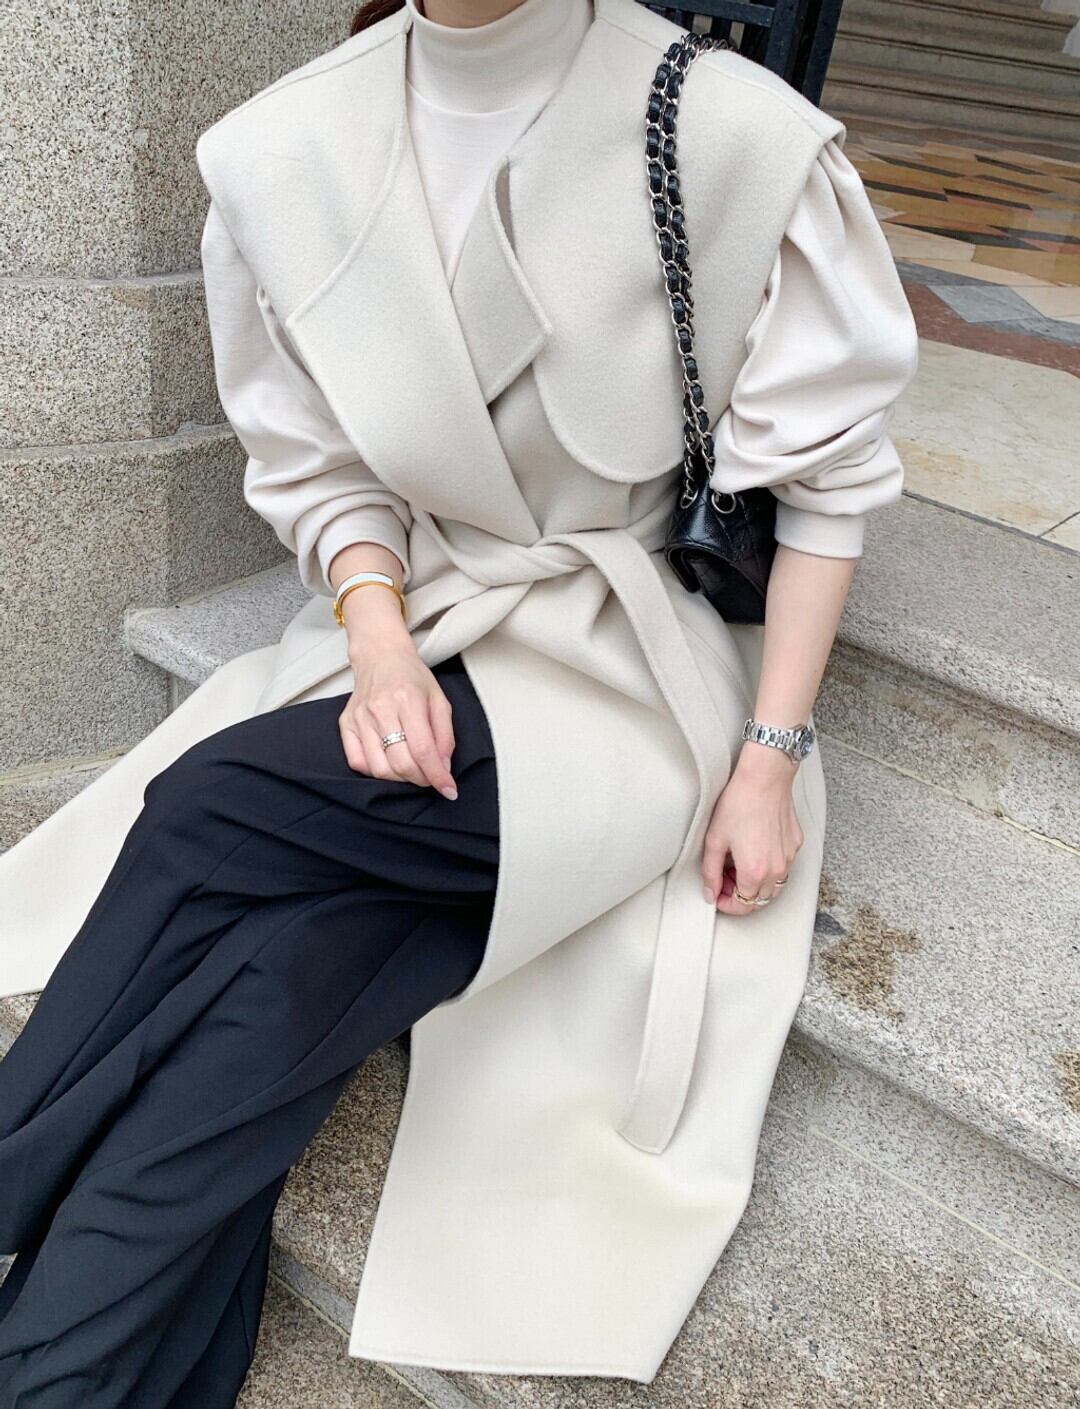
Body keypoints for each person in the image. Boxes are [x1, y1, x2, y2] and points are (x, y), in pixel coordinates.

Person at [0, 0, 920, 1402]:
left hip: (628, 682)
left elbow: (827, 491)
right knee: (276, 984)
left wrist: (768, 762)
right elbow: (318, 464)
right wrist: (376, 639)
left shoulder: (735, 131)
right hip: (429, 630)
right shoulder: (287, 144)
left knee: (206, 806)